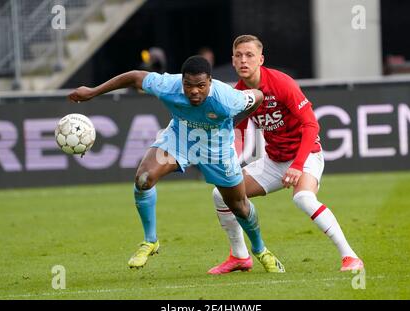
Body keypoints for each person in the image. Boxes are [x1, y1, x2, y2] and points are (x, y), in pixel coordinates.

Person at [68, 55, 284, 273]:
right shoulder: (168, 85)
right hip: (179, 139)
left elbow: (257, 96)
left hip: (216, 150)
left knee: (239, 205)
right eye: (188, 85)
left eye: (200, 85)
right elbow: (134, 77)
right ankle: (150, 240)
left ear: (210, 81)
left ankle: (260, 250)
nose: (194, 91)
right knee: (144, 179)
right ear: (182, 82)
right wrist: (93, 92)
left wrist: (234, 122)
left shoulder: (228, 99)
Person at [208, 35, 364, 274]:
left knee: (303, 198)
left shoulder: (282, 83)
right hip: (274, 160)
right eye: (238, 55)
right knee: (221, 194)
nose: (243, 60)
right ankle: (240, 257)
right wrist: (226, 162)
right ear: (232, 61)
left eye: (249, 55)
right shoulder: (238, 93)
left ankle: (350, 257)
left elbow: (311, 125)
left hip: (306, 154)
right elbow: (236, 131)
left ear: (261, 59)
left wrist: (298, 165)